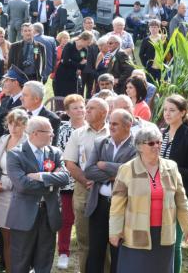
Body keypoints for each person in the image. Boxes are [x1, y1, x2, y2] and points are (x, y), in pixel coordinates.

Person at [109, 126, 188, 273]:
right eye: (151, 143)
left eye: (159, 142)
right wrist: (115, 231)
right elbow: (117, 205)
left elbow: (181, 201)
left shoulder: (171, 167)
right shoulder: (127, 169)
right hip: (135, 234)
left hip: (164, 233)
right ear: (140, 146)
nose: (156, 146)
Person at [6, 115, 70, 273]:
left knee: (44, 260)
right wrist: (51, 183)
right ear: (35, 133)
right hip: (24, 215)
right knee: (20, 261)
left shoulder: (54, 152)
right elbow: (22, 185)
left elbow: (65, 178)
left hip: (49, 214)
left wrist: (41, 176)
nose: (53, 135)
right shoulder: (15, 154)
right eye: (49, 132)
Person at [84, 109, 137, 273]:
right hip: (99, 205)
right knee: (95, 251)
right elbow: (89, 171)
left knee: (119, 252)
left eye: (115, 123)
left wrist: (104, 165)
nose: (110, 126)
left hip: (123, 207)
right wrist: (116, 174)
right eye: (110, 122)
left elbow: (133, 172)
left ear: (128, 126)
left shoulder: (137, 146)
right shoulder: (101, 142)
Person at [63, 97, 110, 273]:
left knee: (106, 241)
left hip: (108, 193)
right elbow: (70, 163)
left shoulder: (112, 133)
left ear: (104, 113)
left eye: (91, 108)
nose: (86, 111)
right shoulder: (78, 134)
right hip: (84, 192)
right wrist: (86, 181)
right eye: (86, 107)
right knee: (85, 241)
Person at [161, 94, 188, 273]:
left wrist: (169, 169)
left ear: (183, 112)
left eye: (172, 110)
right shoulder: (161, 133)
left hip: (180, 194)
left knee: (174, 242)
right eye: (165, 110)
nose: (167, 114)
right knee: (161, 241)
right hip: (158, 193)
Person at [0, 109, 29, 273]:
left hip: (19, 194)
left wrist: (6, 183)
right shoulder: (3, 139)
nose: (14, 127)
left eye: (19, 124)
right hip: (1, 195)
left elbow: (27, 171)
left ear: (25, 126)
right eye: (12, 123)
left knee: (19, 240)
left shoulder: (28, 142)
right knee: (6, 239)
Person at [55, 94, 86, 270]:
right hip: (68, 180)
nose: (80, 111)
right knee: (66, 218)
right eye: (75, 108)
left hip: (87, 181)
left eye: (82, 107)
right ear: (67, 111)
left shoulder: (92, 128)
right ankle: (64, 252)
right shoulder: (64, 129)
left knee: (85, 219)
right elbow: (61, 154)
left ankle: (84, 250)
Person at [0, 65, 28, 154]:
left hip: (12, 150)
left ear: (16, 83)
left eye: (7, 80)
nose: (4, 83)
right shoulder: (6, 100)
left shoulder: (24, 104)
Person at [53, 31, 93, 97]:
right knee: (61, 95)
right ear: (83, 39)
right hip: (63, 75)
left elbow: (84, 64)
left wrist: (74, 63)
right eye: (88, 42)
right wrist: (79, 64)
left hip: (74, 76)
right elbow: (65, 61)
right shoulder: (70, 45)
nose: (88, 44)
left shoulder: (84, 50)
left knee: (72, 95)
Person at [21, 80, 61, 146]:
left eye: (25, 95)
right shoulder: (17, 113)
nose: (21, 98)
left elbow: (51, 148)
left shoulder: (52, 119)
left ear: (36, 99)